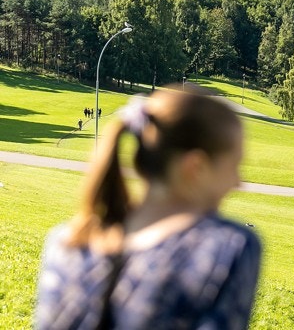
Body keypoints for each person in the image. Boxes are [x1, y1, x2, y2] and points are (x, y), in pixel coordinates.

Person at [37, 85, 261, 330]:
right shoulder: (227, 247)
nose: (238, 182)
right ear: (195, 168)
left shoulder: (67, 242)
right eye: (234, 166)